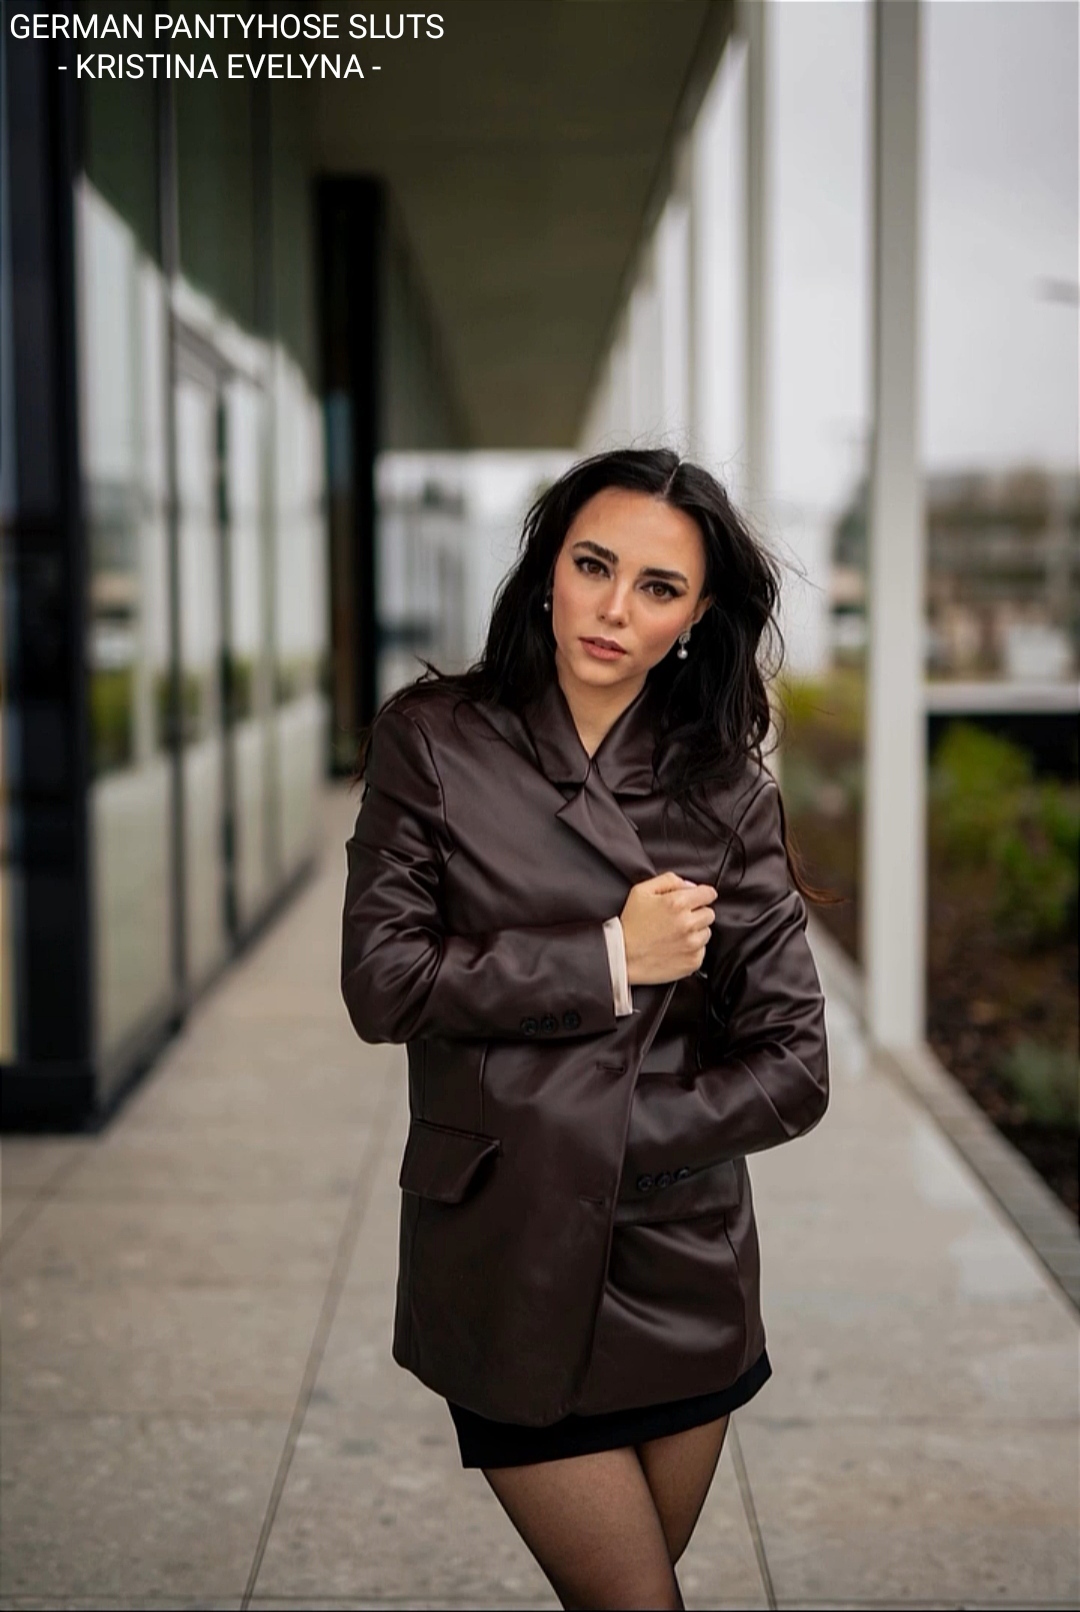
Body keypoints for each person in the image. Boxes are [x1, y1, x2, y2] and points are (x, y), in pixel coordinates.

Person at [341, 448, 830, 1611]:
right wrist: (610, 957)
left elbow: (795, 1063)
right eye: (593, 565)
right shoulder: (435, 740)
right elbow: (383, 983)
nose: (614, 609)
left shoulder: (725, 791)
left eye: (658, 587)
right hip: (507, 1246)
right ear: (547, 569)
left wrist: (618, 1139)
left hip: (679, 1253)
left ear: (697, 617)